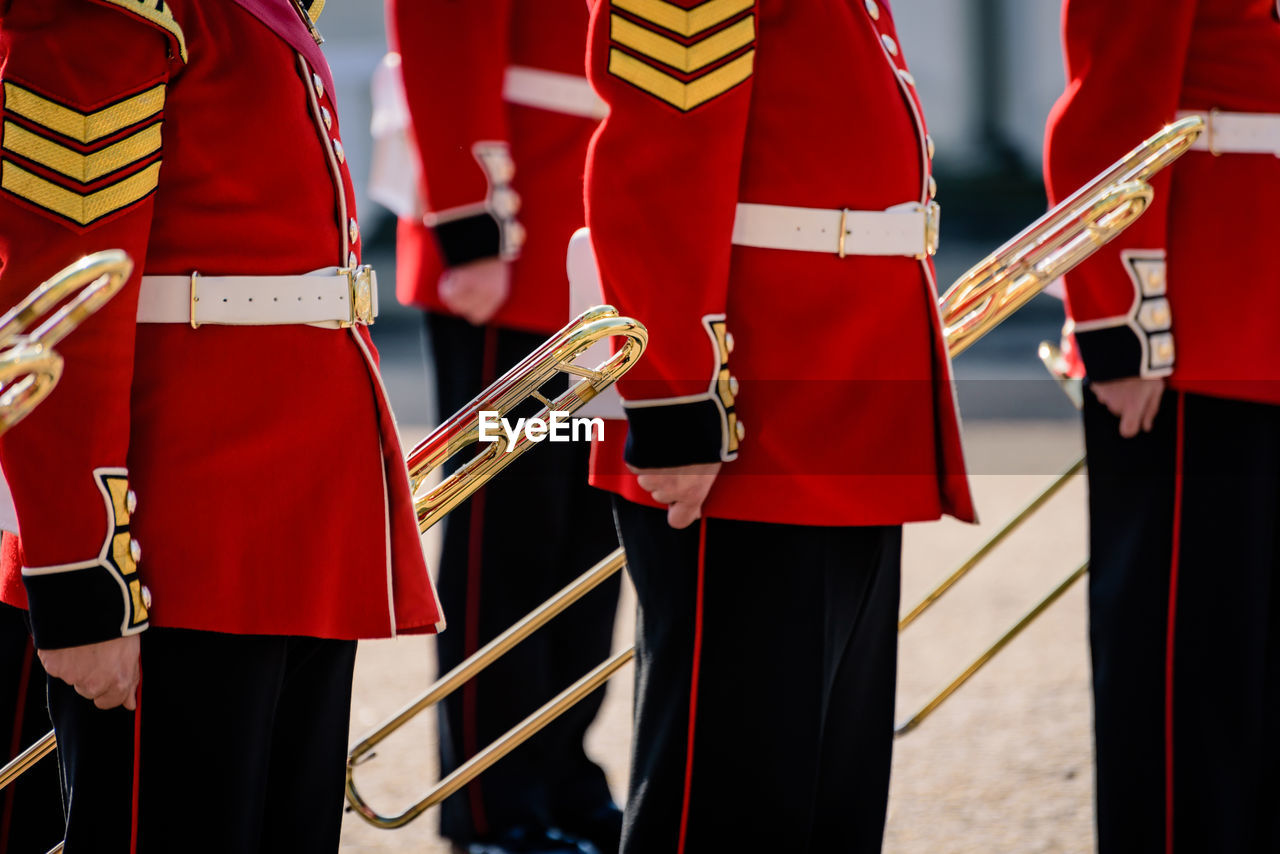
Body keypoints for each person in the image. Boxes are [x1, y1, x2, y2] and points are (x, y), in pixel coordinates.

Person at [0, 1, 444, 851]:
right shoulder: (116, 11)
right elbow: (59, 302)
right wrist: (78, 573)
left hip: (300, 516)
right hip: (182, 533)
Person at [581, 1, 975, 851]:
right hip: (755, 411)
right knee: (732, 797)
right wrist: (677, 398)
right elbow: (658, 161)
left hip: (847, 395)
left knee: (827, 790)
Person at [384, 3, 623, 853]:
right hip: (515, 249)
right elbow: (442, 34)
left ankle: (564, 773)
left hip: (601, 246)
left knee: (589, 545)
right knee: (509, 546)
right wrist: (469, 222)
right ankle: (493, 801)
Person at [1044, 2, 1280, 851]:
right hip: (1201, 335)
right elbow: (1108, 114)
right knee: (1188, 677)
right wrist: (1121, 325)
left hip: (1258, 320)